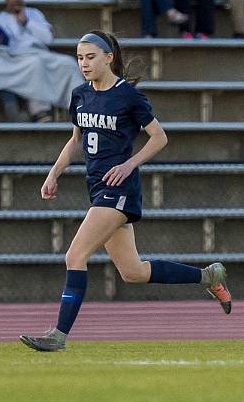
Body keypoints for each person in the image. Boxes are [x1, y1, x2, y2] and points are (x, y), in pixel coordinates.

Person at [19, 30, 232, 352]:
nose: (84, 63)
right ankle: (208, 277)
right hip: (97, 189)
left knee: (75, 255)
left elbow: (159, 137)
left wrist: (130, 164)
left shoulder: (128, 97)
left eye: (90, 57)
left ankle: (58, 336)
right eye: (79, 58)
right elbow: (76, 140)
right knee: (133, 272)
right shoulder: (80, 95)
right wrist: (53, 174)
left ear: (108, 58)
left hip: (118, 191)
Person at [0, 0, 85, 122]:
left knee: (68, 64)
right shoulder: (0, 19)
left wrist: (27, 22)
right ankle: (40, 112)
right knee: (35, 65)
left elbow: (47, 38)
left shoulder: (34, 13)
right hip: (18, 58)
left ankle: (81, 108)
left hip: (42, 52)